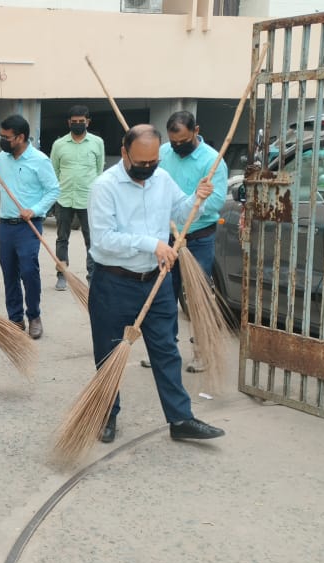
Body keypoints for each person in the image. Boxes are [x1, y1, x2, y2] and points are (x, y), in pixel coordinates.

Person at [87, 124, 225, 444]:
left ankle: (180, 418)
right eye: (141, 163)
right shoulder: (105, 187)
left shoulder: (161, 178)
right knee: (109, 353)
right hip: (114, 283)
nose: (147, 169)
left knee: (166, 350)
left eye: (153, 162)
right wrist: (152, 244)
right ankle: (107, 415)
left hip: (157, 281)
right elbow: (105, 240)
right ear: (124, 153)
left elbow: (178, 208)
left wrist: (197, 198)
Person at [0, 115, 60, 340]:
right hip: (6, 226)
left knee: (29, 271)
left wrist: (35, 209)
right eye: (2, 136)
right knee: (9, 273)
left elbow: (53, 190)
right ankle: (15, 318)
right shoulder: (2, 157)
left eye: (7, 137)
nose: (3, 140)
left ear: (21, 137)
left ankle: (34, 316)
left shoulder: (39, 160)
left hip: (28, 225)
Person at [154, 110, 229, 374]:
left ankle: (201, 353)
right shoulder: (163, 153)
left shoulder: (212, 161)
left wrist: (194, 202)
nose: (178, 147)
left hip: (198, 238)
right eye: (174, 142)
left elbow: (217, 202)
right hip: (168, 237)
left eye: (183, 142)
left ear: (196, 131)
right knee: (164, 295)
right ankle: (165, 351)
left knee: (197, 296)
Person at [50, 105, 105, 291]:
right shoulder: (59, 145)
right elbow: (54, 171)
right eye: (75, 122)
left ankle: (92, 277)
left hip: (88, 199)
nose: (78, 125)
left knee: (91, 240)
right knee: (61, 239)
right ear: (69, 123)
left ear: (88, 122)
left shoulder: (97, 143)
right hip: (64, 198)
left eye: (82, 122)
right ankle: (62, 275)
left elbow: (99, 171)